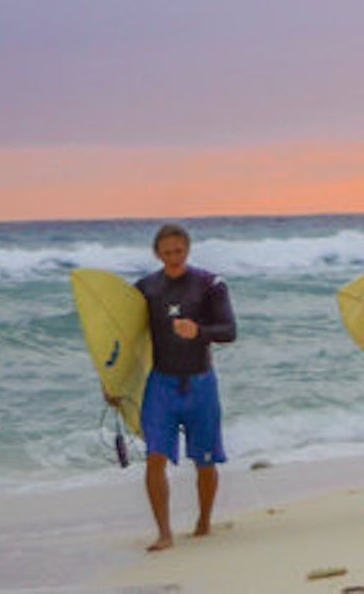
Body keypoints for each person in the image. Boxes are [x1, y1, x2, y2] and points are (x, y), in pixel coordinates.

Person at [122, 223, 236, 551]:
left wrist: (198, 331)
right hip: (161, 384)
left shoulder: (209, 284)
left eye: (179, 251)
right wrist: (113, 381)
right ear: (157, 253)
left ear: (187, 249)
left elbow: (229, 330)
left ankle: (203, 522)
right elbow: (125, 339)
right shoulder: (145, 289)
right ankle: (164, 532)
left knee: (205, 460)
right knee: (155, 457)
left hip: (200, 383)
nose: (173, 257)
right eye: (167, 252)